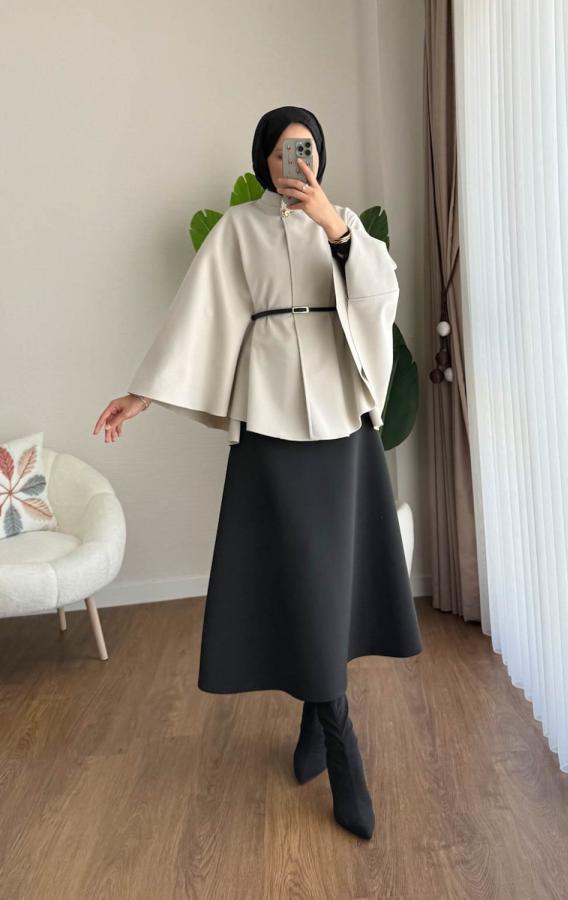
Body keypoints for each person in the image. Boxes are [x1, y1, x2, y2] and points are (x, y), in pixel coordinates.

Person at [93, 105, 423, 840]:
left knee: (330, 579)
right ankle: (340, 740)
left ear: (320, 154)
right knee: (294, 574)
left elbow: (380, 297)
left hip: (341, 421)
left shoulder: (345, 225)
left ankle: (320, 723)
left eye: (305, 149)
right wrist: (143, 393)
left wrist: (334, 229)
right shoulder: (238, 230)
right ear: (262, 161)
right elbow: (198, 317)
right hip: (270, 420)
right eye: (280, 152)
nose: (294, 162)